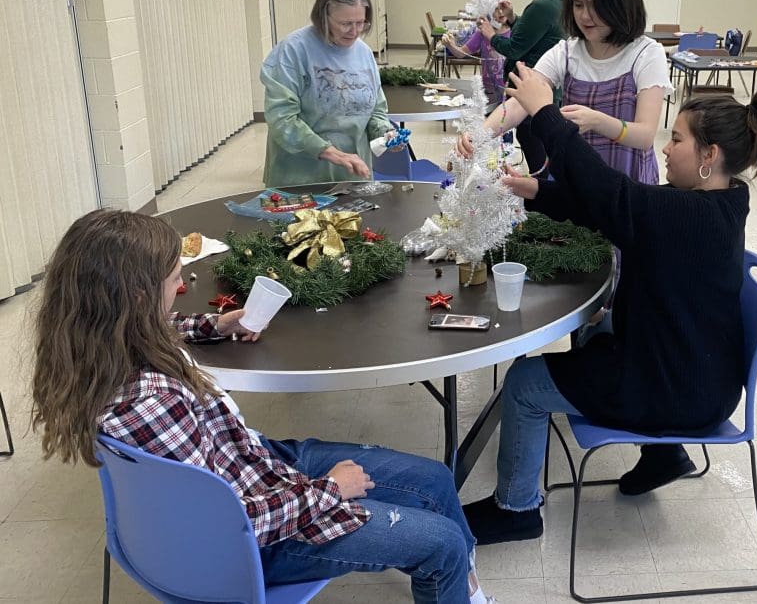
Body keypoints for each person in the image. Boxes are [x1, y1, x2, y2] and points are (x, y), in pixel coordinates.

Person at [29, 209, 495, 604]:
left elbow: (163, 325)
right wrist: (330, 490)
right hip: (259, 536)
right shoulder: (151, 404)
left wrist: (215, 323)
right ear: (136, 297)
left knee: (433, 479)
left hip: (250, 463)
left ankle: (465, 587)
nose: (183, 283)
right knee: (444, 544)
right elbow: (229, 525)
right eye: (174, 279)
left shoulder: (100, 343)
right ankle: (457, 576)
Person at [461, 63, 757, 544]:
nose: (665, 147)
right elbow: (617, 209)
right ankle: (664, 454)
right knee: (598, 328)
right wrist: (537, 191)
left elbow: (615, 196)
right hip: (695, 369)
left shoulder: (684, 215)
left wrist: (545, 112)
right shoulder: (717, 202)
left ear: (709, 154)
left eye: (676, 139)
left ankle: (515, 508)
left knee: (524, 384)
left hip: (677, 389)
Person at [462, 0, 671, 185]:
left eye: (595, 5)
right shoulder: (567, 52)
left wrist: (597, 121)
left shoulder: (646, 53)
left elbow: (645, 135)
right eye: (578, 5)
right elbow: (521, 101)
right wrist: (480, 134)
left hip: (627, 185)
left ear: (621, 3)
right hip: (577, 179)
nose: (584, 16)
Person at [261, 0, 402, 187]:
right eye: (345, 23)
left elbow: (375, 110)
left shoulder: (363, 53)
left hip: (354, 176)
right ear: (323, 15)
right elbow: (282, 121)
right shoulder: (293, 51)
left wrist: (386, 132)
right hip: (302, 179)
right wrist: (330, 152)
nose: (354, 32)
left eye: (360, 23)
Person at [476, 0, 565, 171]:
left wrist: (489, 34)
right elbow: (535, 37)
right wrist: (515, 18)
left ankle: (541, 197)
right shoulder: (560, 1)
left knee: (534, 147)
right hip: (550, 93)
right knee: (542, 148)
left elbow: (514, 48)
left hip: (531, 95)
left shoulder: (541, 6)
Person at [442, 0, 512, 102]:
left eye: (503, 7)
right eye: (495, 8)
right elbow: (461, 53)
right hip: (488, 88)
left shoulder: (515, 31)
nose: (500, 12)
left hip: (509, 88)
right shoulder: (482, 32)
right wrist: (450, 45)